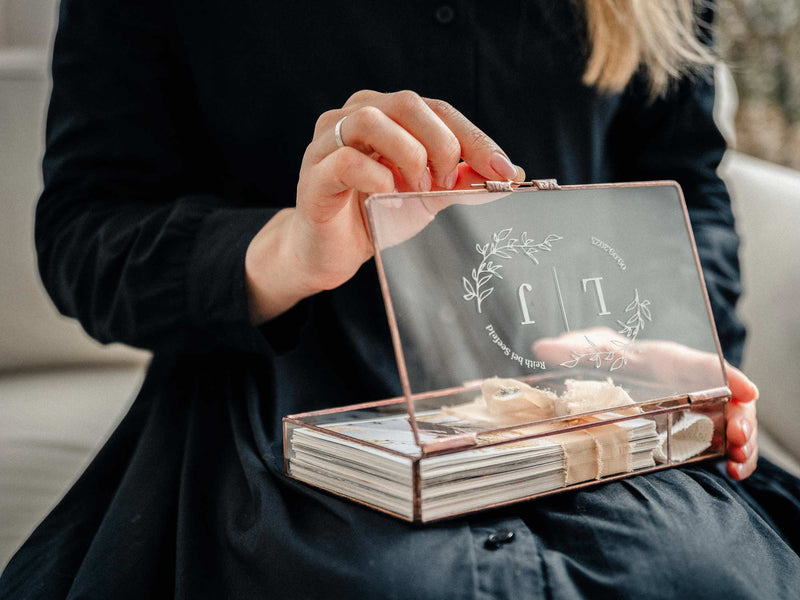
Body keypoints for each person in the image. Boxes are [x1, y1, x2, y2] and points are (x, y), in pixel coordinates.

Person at [2, 0, 799, 597]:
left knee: (700, 574)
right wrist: (291, 248)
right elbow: (86, 234)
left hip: (586, 400)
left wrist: (674, 344)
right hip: (280, 408)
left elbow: (689, 181)